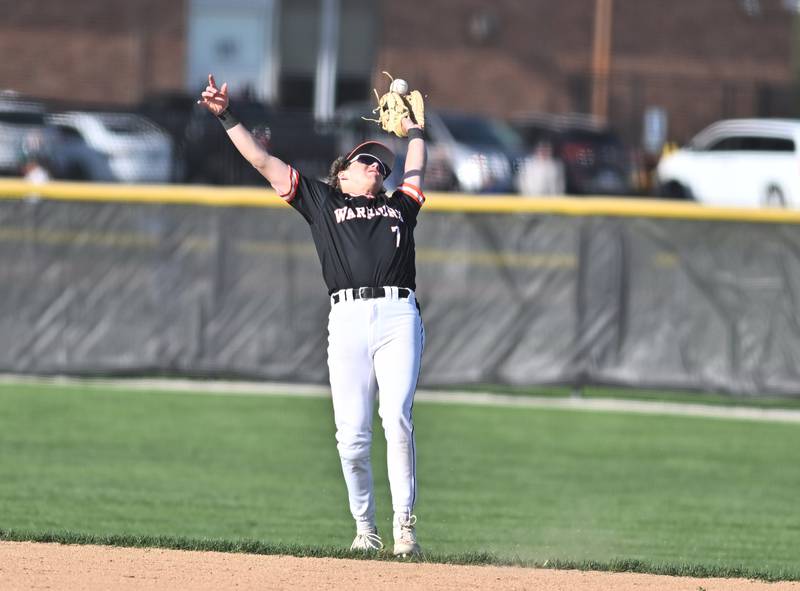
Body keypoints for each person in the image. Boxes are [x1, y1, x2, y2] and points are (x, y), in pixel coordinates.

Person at [198, 74, 427, 556]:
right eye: (368, 161)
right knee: (351, 438)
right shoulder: (323, 201)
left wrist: (414, 133)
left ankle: (404, 525)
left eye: (380, 165)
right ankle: (366, 529)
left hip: (397, 315)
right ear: (341, 173)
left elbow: (416, 172)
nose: (377, 168)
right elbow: (261, 160)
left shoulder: (399, 208)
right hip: (345, 320)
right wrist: (226, 115)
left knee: (395, 417)